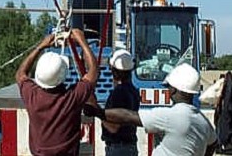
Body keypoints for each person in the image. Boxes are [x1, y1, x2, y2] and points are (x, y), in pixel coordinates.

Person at [85, 63, 218, 156]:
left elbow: (128, 116)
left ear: (173, 90)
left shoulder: (170, 116)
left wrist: (98, 112)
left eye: (168, 87)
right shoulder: (203, 122)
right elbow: (213, 143)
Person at [16, 28, 99, 156]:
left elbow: (20, 74)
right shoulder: (71, 98)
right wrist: (82, 41)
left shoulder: (32, 95)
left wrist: (40, 47)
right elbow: (93, 72)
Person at [100, 49, 140, 156]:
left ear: (114, 71)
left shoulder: (119, 93)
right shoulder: (133, 91)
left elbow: (113, 127)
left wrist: (98, 113)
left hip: (118, 149)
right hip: (129, 147)